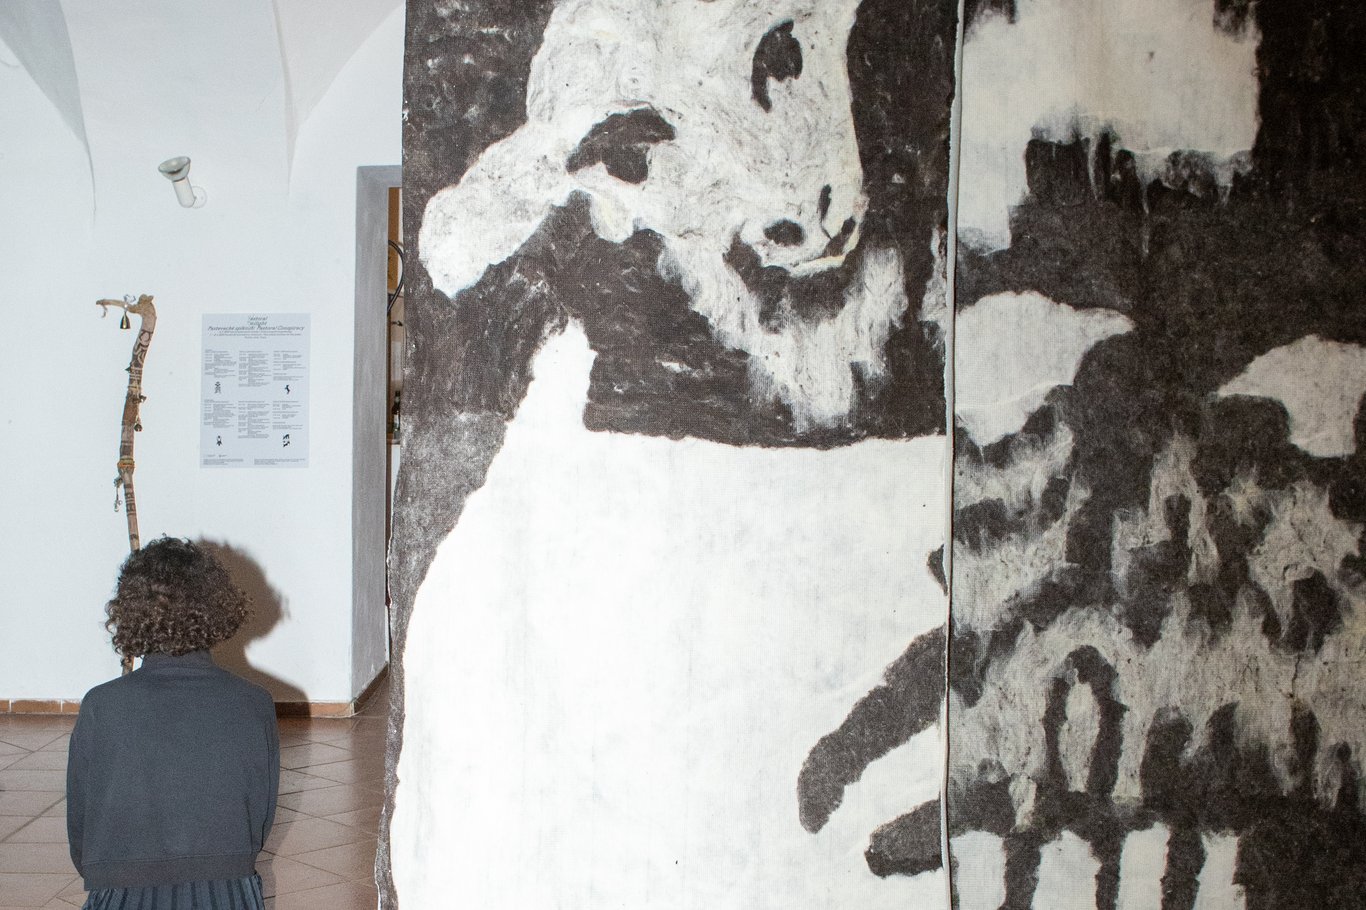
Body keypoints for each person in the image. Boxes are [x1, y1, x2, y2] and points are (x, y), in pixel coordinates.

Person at [67, 537, 279, 910]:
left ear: (129, 612)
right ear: (216, 608)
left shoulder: (101, 705)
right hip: (228, 890)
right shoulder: (253, 703)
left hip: (122, 892)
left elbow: (81, 827)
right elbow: (259, 821)